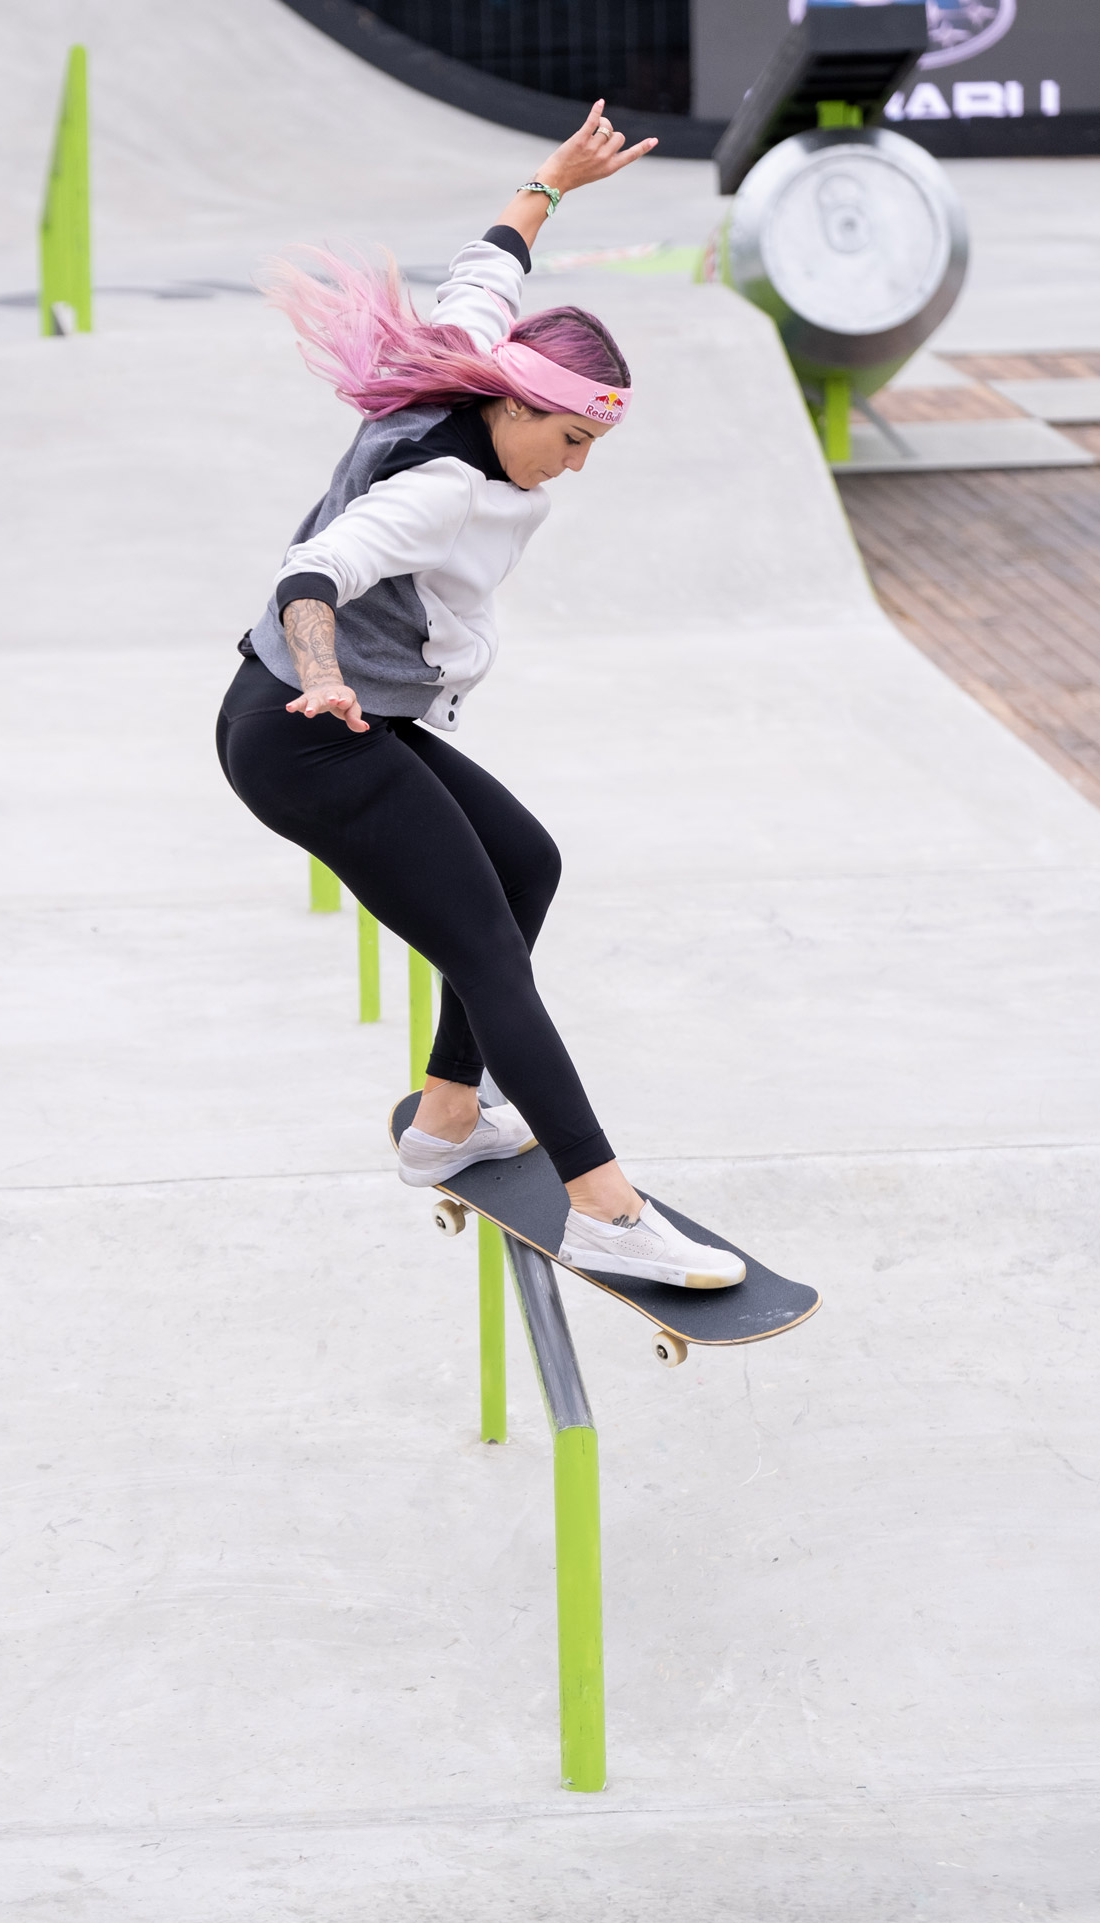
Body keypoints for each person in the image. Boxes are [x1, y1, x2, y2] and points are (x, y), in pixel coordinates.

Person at [217, 103, 744, 1290]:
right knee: (488, 950)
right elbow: (313, 570)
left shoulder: (467, 362)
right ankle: (603, 1203)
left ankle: (446, 1120)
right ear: (512, 403)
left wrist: (550, 184)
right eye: (567, 439)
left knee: (527, 863)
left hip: (339, 719)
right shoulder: (444, 483)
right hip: (306, 731)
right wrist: (325, 676)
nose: (577, 464)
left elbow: (486, 268)